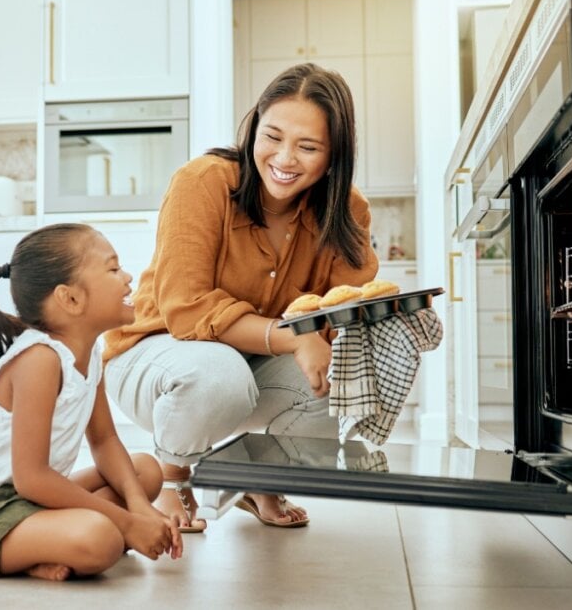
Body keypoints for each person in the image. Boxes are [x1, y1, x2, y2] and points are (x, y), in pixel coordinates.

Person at [103, 63, 379, 531]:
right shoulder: (204, 182)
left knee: (347, 373)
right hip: (157, 356)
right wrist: (294, 337)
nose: (285, 158)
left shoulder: (347, 210)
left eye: (307, 147)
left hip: (250, 365)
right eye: (272, 136)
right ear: (254, 127)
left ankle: (261, 476)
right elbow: (187, 309)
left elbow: (347, 307)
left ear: (333, 156)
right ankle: (173, 478)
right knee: (219, 376)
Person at [0, 223, 183, 580]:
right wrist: (126, 523)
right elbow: (32, 479)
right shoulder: (39, 360)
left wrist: (138, 508)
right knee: (100, 537)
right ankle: (43, 549)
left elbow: (104, 440)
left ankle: (46, 543)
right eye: (113, 268)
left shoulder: (90, 354)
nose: (128, 277)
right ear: (70, 298)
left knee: (145, 472)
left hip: (19, 500)